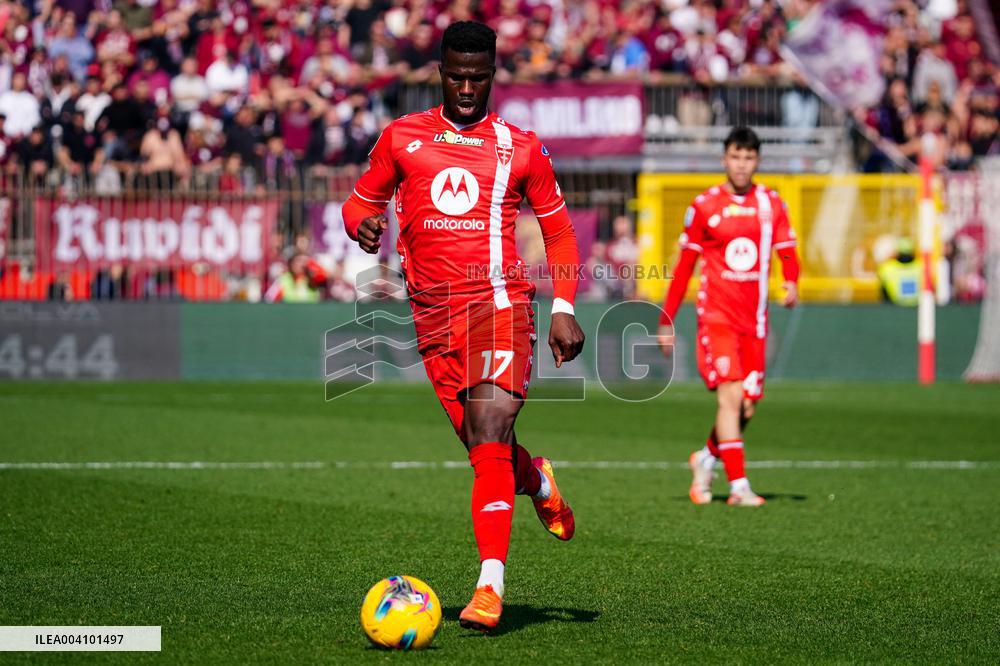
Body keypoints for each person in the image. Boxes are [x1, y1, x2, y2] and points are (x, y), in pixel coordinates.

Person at [341, 21, 585, 632]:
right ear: (441, 72)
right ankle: (536, 478)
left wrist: (564, 308)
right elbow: (360, 201)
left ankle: (489, 587)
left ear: (493, 74)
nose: (468, 87)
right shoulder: (402, 139)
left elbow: (558, 232)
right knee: (486, 451)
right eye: (457, 76)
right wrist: (360, 224)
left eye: (479, 77)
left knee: (489, 423)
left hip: (499, 305)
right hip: (431, 318)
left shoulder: (521, 147)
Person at [658, 127, 800, 508]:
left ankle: (706, 457)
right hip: (716, 316)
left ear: (757, 161)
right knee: (732, 394)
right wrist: (665, 320)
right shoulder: (704, 205)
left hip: (753, 321)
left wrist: (792, 281)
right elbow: (685, 267)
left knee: (747, 406)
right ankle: (738, 486)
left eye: (749, 158)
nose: (742, 165)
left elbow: (787, 248)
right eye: (736, 157)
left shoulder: (771, 203)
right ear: (725, 159)